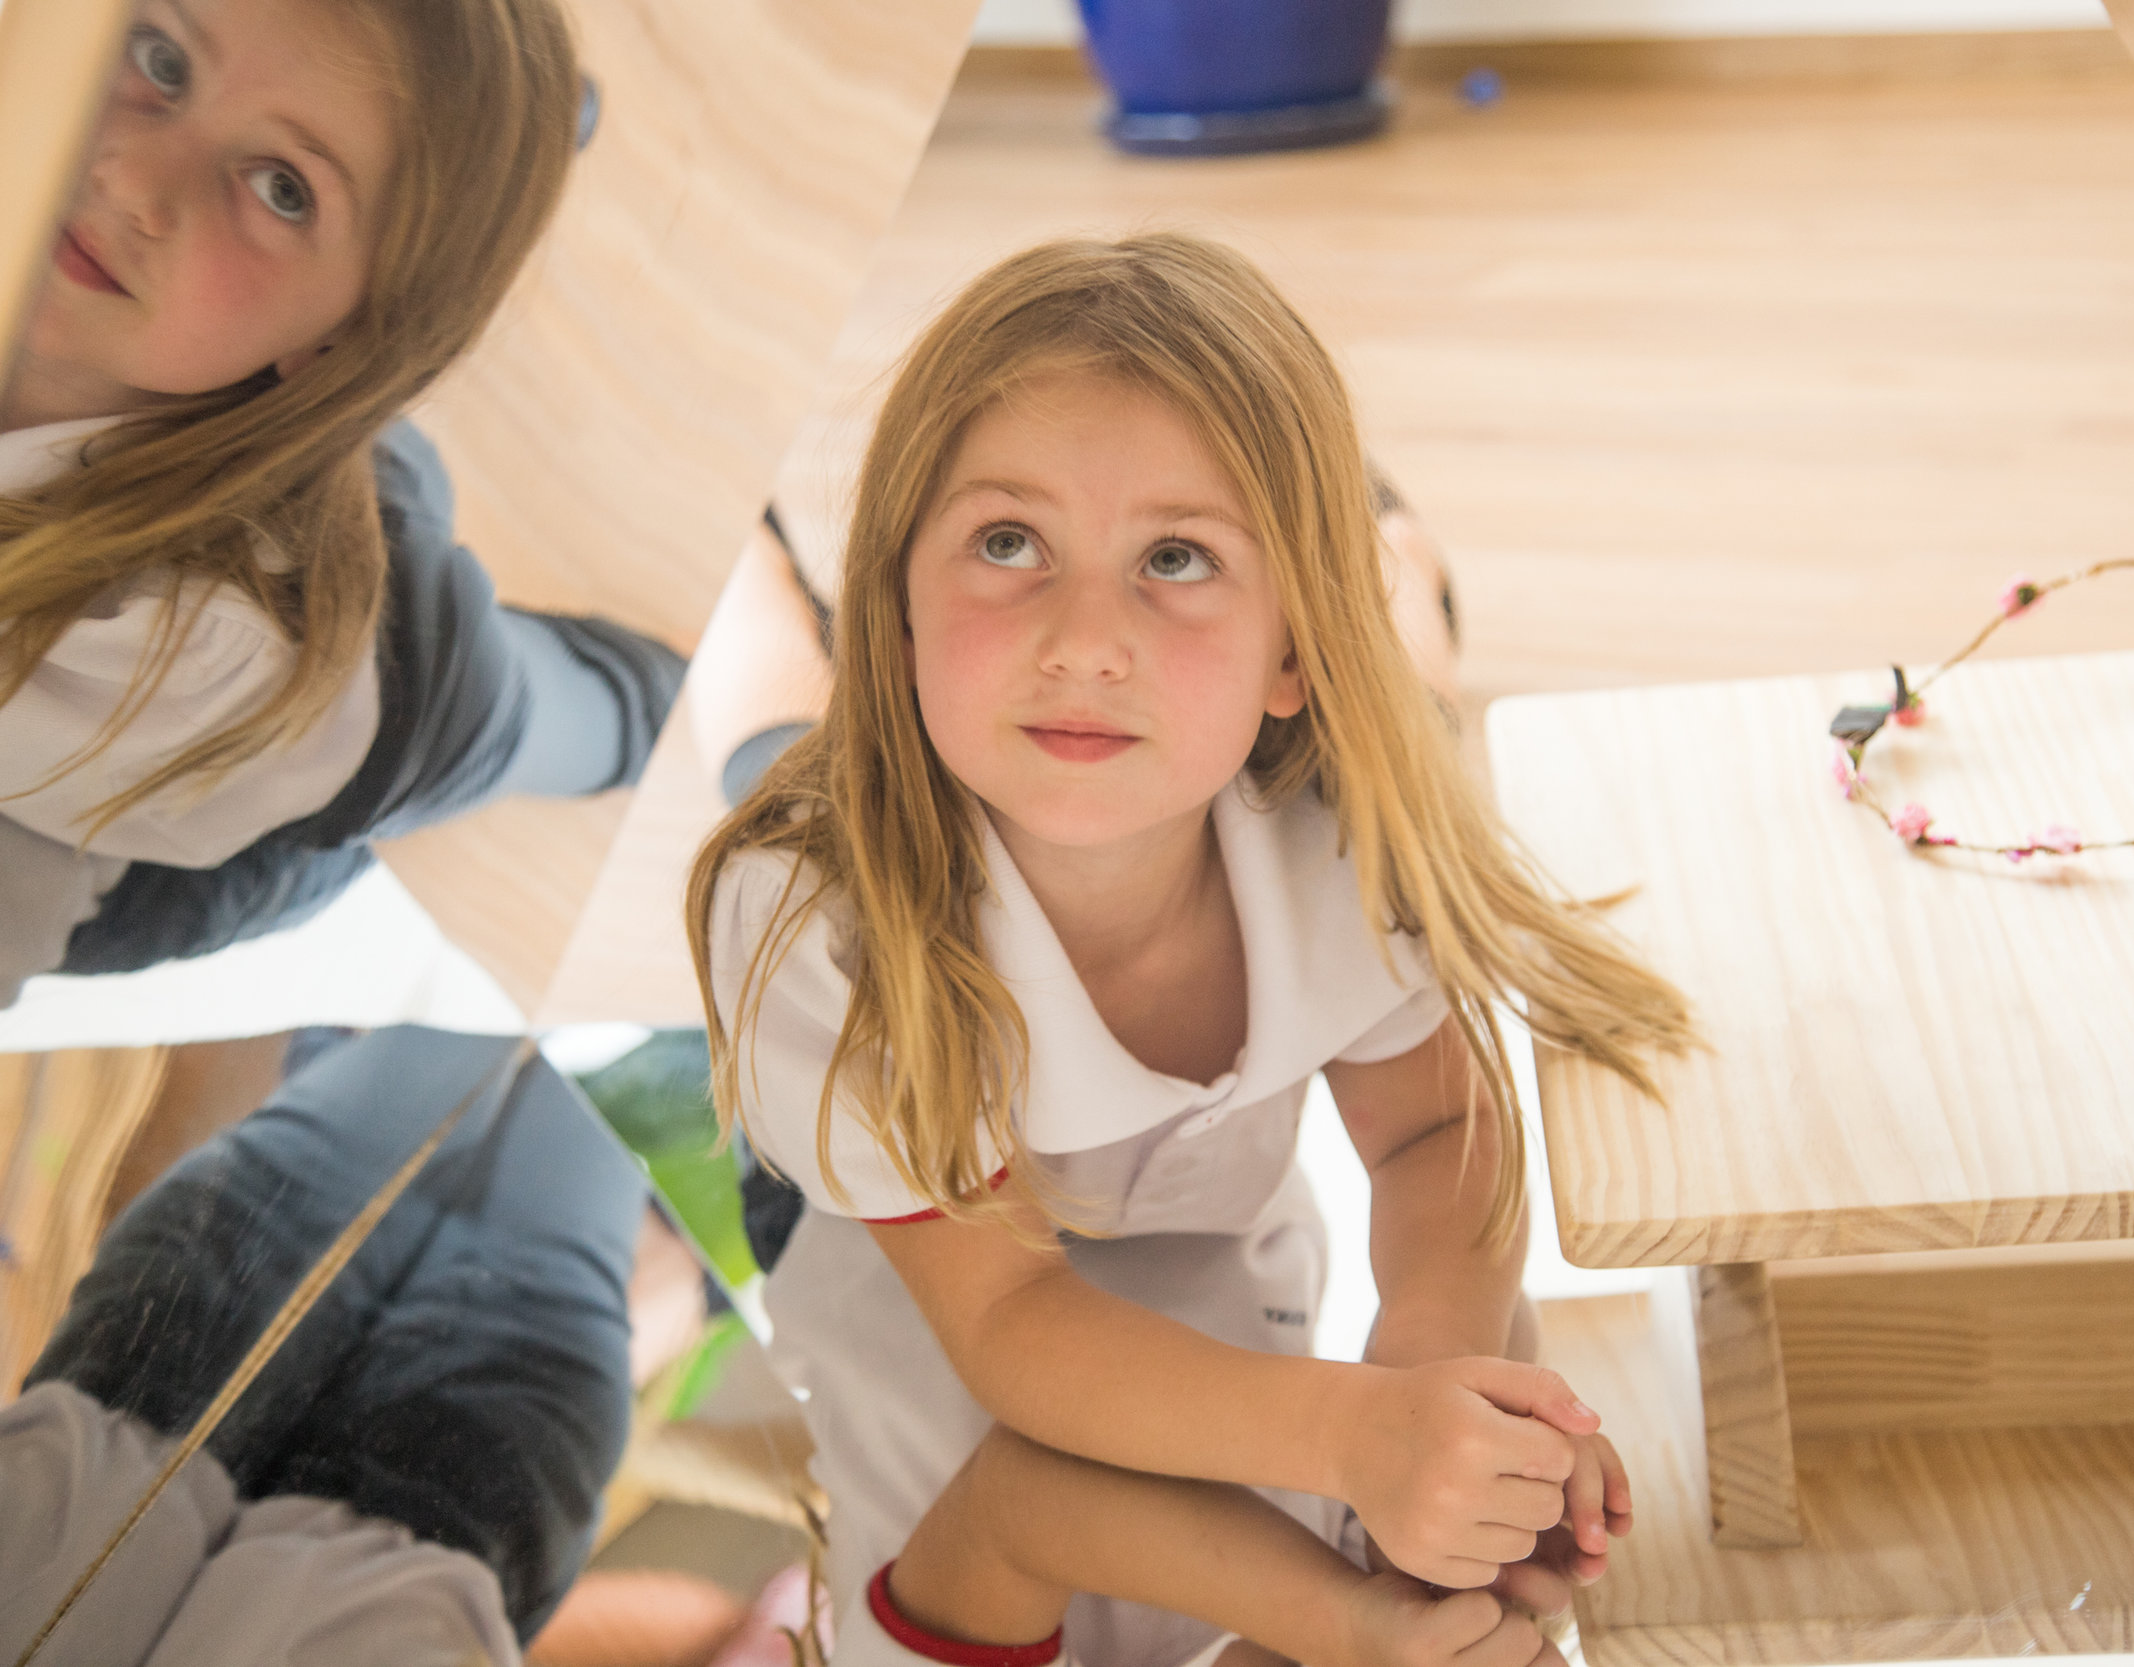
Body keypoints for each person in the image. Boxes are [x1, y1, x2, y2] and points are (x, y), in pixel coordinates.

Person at [690, 233, 1695, 1667]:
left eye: (1171, 556)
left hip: (880, 1204)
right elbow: (1439, 1144)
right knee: (1396, 726)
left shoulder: (809, 930)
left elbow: (1019, 1341)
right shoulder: (1339, 820)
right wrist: (1452, 1393)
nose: (1085, 637)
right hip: (1137, 1232)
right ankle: (1390, 574)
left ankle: (744, 582)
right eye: (1013, 542)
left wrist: (1387, 1414)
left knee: (775, 758)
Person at [0, 0, 684, 1006]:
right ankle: (482, 163)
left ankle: (660, 710)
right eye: (163, 61)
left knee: (554, 710)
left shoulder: (209, 648)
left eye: (281, 189)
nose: (130, 178)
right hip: (201, 819)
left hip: (365, 659)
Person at [0, 1028, 648, 1666]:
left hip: (130, 1400)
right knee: (599, 1058)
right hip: (447, 1525)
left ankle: (338, 1043)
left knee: (475, 1013)